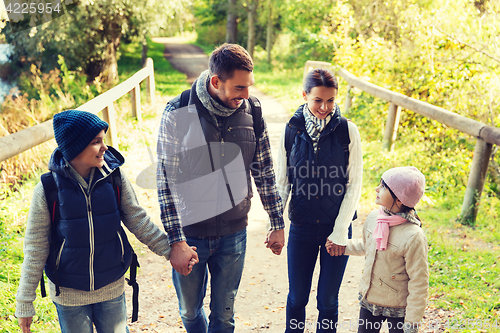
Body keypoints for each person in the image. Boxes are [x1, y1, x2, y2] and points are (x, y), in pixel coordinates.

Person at [15, 110, 196, 333]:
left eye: (104, 140)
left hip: (111, 287)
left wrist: (171, 250)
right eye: (96, 142)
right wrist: (24, 303)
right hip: (69, 294)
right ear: (75, 147)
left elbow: (138, 221)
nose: (105, 147)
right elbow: (35, 247)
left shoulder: (114, 177)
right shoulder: (48, 189)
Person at [156, 43, 285, 333]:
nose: (246, 95)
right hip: (191, 235)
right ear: (216, 82)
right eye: (240, 88)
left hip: (234, 234)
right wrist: (176, 240)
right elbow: (166, 182)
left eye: (249, 86)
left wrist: (277, 222)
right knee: (190, 311)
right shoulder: (177, 111)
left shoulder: (252, 111)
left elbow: (264, 170)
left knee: (224, 316)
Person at [276, 68, 363, 332]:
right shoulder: (291, 130)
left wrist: (339, 232)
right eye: (318, 100)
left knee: (327, 300)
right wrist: (276, 223)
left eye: (331, 100)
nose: (324, 107)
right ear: (305, 95)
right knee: (297, 297)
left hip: (335, 230)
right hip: (301, 228)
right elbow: (282, 183)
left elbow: (354, 185)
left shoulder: (348, 131)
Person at [330, 166, 428, 333]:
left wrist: (412, 323)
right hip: (371, 299)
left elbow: (419, 282)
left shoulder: (413, 236)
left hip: (398, 307)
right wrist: (343, 246)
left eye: (383, 187)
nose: (377, 189)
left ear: (399, 199)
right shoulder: (375, 217)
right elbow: (367, 245)